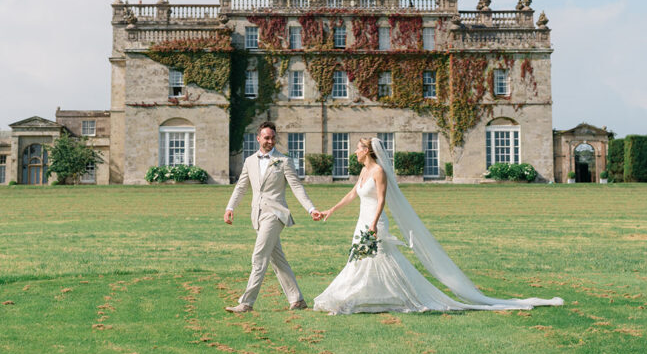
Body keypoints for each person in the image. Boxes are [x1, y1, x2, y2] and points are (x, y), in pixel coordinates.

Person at [313, 137, 564, 314]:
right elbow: (353, 194)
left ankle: (379, 298)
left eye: (357, 149)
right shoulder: (364, 173)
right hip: (362, 222)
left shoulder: (379, 171)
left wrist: (375, 224)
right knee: (361, 261)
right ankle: (361, 298)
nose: (354, 153)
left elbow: (381, 199)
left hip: (374, 223)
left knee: (378, 260)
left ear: (367, 151)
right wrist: (331, 210)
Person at [223, 121, 323, 313]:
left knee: (259, 256)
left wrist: (311, 209)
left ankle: (246, 302)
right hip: (257, 216)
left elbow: (296, 187)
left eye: (273, 138)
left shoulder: (283, 161)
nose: (270, 141)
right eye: (266, 137)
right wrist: (230, 207)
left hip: (275, 214)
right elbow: (241, 187)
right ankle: (297, 300)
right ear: (258, 138)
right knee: (277, 259)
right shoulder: (250, 161)